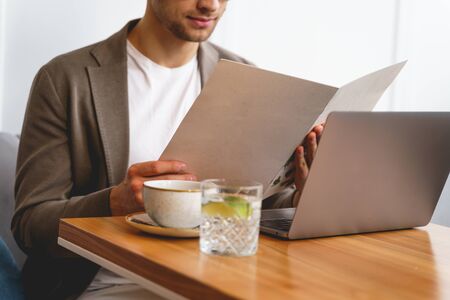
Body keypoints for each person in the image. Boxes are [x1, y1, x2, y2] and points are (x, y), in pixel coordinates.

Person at [12, 0, 323, 299]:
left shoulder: (247, 78)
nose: (210, 5)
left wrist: (300, 196)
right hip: (104, 288)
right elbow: (30, 225)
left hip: (216, 284)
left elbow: (243, 202)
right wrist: (113, 203)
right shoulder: (66, 78)